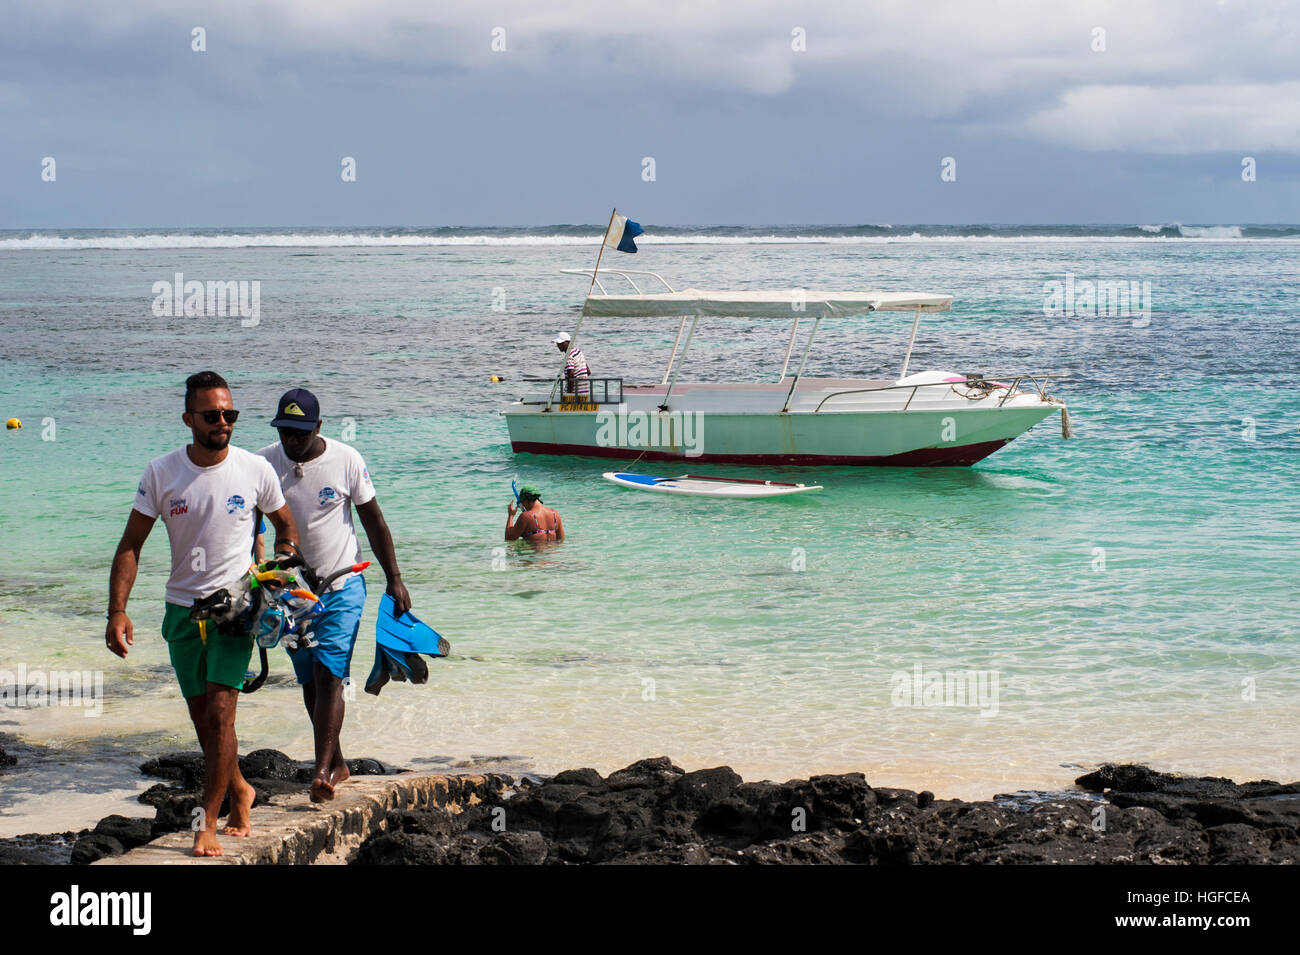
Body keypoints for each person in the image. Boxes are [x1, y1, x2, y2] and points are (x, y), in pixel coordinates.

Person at [106, 371, 301, 858]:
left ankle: (207, 823)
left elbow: (285, 526)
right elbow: (131, 545)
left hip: (235, 608)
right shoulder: (161, 473)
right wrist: (117, 610)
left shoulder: (255, 469)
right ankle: (240, 790)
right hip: (180, 611)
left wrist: (280, 559)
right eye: (212, 415)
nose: (223, 423)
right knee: (204, 722)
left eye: (230, 414)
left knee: (220, 714)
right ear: (189, 418)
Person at [257, 388, 411, 803]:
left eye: (300, 433)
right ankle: (338, 761)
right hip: (291, 591)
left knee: (330, 675)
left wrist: (394, 577)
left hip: (344, 583)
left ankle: (321, 771)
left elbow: (374, 521)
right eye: (285, 431)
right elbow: (250, 524)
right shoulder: (264, 463)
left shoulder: (346, 460)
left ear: (318, 428)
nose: (292, 439)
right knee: (309, 681)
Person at [554, 333, 590, 399]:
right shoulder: (578, 351)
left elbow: (571, 375)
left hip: (574, 393)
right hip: (584, 392)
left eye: (561, 343)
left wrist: (569, 395)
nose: (559, 345)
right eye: (558, 343)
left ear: (568, 342)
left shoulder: (569, 356)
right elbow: (588, 371)